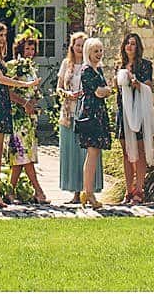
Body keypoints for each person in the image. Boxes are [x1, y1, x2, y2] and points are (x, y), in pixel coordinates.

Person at [0, 20, 37, 209]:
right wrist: (25, 85)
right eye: (0, 35)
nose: (3, 39)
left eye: (4, 35)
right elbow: (1, 79)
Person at [5, 32, 49, 203]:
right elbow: (7, 91)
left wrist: (34, 101)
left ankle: (10, 191)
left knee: (21, 155)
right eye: (27, 48)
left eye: (32, 48)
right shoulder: (12, 66)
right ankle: (39, 191)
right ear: (20, 49)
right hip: (17, 117)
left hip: (29, 119)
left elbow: (35, 91)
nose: (30, 52)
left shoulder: (31, 68)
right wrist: (24, 103)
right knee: (23, 154)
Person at [56, 31, 99, 200]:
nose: (80, 48)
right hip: (69, 113)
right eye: (77, 45)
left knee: (86, 153)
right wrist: (66, 93)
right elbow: (59, 87)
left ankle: (88, 191)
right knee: (72, 153)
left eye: (83, 45)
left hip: (87, 114)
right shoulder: (67, 64)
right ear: (72, 46)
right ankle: (75, 192)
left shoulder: (92, 65)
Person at [73, 36, 113, 207]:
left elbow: (103, 91)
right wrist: (108, 90)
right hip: (91, 114)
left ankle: (88, 192)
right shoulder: (87, 70)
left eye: (100, 51)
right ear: (88, 52)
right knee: (92, 152)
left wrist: (106, 90)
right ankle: (88, 192)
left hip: (99, 113)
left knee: (95, 153)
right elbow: (99, 92)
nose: (99, 54)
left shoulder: (98, 70)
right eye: (95, 51)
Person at [115, 31, 154, 204]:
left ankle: (139, 189)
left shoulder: (145, 65)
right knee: (126, 152)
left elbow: (148, 87)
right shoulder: (119, 66)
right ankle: (128, 189)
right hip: (123, 112)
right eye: (128, 43)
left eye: (133, 44)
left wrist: (136, 83)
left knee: (139, 151)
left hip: (139, 112)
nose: (130, 46)